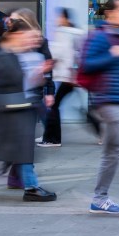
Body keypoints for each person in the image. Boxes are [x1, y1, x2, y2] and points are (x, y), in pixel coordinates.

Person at [80, 0, 119, 214]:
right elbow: (86, 65)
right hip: (106, 100)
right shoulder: (101, 37)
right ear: (111, 13)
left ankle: (100, 198)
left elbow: (115, 69)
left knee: (112, 153)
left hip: (116, 99)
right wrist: (113, 54)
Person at [0, 20, 58, 202]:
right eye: (28, 37)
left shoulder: (12, 53)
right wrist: (37, 73)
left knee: (22, 150)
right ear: (16, 35)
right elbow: (13, 81)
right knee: (21, 150)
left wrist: (39, 75)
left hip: (19, 108)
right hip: (11, 109)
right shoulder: (3, 55)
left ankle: (30, 185)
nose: (32, 41)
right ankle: (31, 187)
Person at [40, 8, 100, 146]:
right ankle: (49, 136)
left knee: (54, 105)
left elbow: (61, 53)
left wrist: (50, 62)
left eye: (59, 17)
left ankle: (52, 138)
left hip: (69, 77)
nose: (57, 20)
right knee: (76, 107)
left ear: (64, 18)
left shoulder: (64, 32)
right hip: (73, 76)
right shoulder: (75, 32)